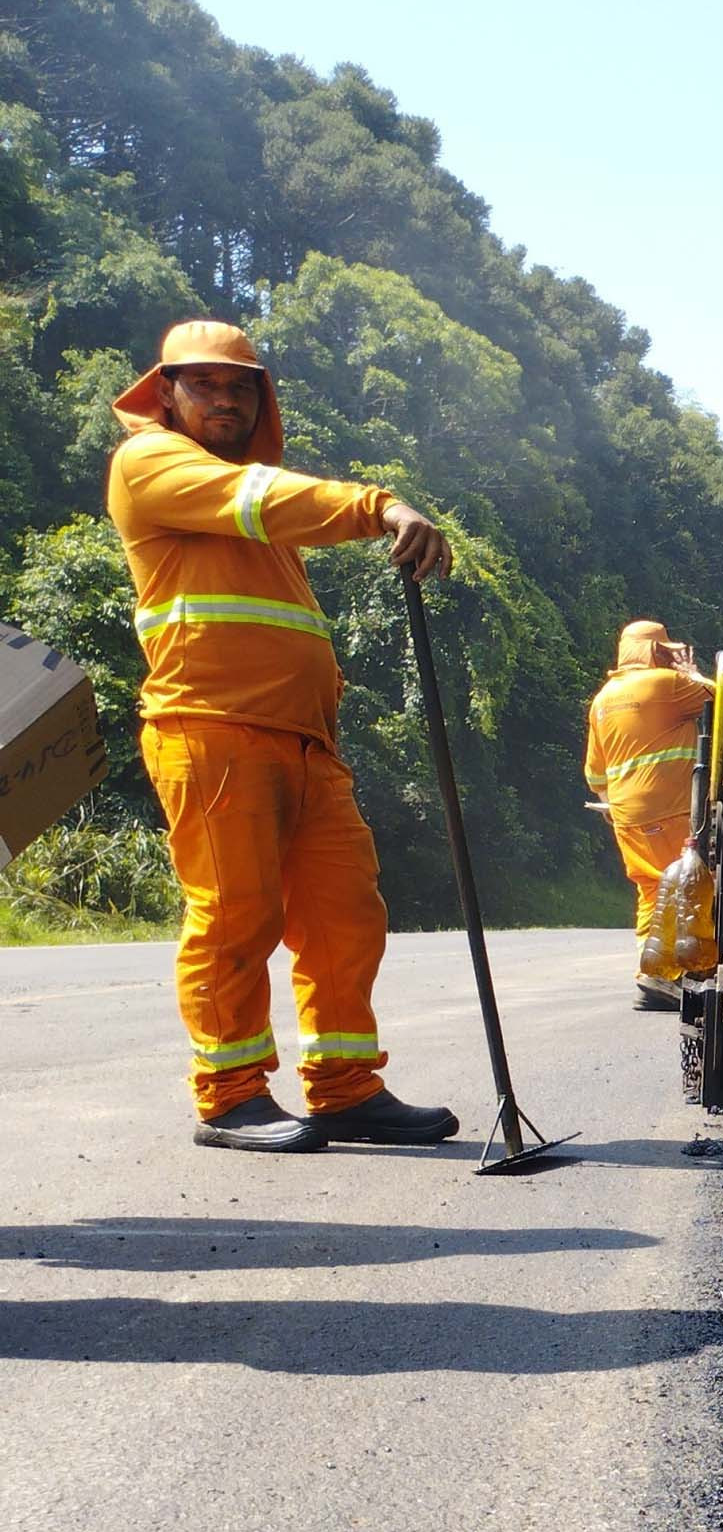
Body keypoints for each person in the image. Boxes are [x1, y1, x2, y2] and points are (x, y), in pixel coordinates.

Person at [107, 320, 462, 1154]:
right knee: (236, 915)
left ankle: (344, 1089)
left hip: (305, 743)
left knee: (346, 915)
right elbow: (273, 501)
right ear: (166, 392)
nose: (225, 398)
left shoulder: (246, 495)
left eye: (241, 387)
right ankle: (229, 1096)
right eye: (206, 384)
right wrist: (381, 505)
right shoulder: (153, 464)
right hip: (210, 726)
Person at [585, 621, 715, 1009]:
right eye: (665, 651)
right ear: (654, 652)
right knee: (690, 887)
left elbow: (595, 775)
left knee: (651, 889)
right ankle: (689, 971)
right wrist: (689, 672)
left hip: (624, 814)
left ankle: (653, 972)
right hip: (671, 809)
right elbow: (721, 696)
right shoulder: (666, 685)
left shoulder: (603, 699)